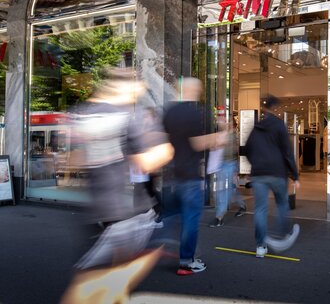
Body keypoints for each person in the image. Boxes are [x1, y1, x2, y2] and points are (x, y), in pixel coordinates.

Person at [61, 68, 174, 304]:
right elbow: (153, 159)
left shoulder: (83, 113)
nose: (139, 94)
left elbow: (73, 160)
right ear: (128, 87)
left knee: (94, 279)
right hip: (129, 213)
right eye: (138, 89)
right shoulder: (131, 116)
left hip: (97, 211)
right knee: (102, 283)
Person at [162, 77, 226, 275]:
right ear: (192, 90)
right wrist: (220, 135)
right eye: (198, 88)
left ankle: (160, 242)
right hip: (190, 174)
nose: (199, 91)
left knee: (174, 212)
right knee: (191, 218)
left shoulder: (170, 112)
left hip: (173, 172)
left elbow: (164, 141)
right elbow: (197, 143)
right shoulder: (193, 112)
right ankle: (187, 261)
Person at [245, 95, 300, 258]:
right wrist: (295, 175)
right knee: (282, 204)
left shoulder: (256, 127)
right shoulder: (279, 125)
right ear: (276, 108)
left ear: (264, 109)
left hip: (259, 174)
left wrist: (255, 164)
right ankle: (284, 236)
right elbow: (288, 152)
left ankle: (260, 246)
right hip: (277, 173)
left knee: (260, 209)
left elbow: (247, 150)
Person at [209, 117, 246, 227]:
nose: (220, 123)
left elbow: (235, 152)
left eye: (223, 122)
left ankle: (219, 216)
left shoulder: (233, 135)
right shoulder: (221, 134)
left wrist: (236, 170)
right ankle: (242, 205)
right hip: (222, 164)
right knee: (231, 188)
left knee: (224, 191)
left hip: (230, 165)